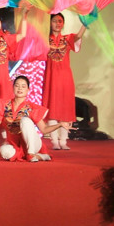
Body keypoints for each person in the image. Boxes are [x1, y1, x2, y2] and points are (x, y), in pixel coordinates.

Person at [0, 75, 62, 162]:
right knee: (3, 151)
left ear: (28, 90)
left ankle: (31, 153)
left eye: (23, 86)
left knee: (25, 120)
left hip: (33, 143)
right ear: (13, 87)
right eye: (17, 85)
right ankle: (41, 157)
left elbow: (44, 129)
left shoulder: (32, 107)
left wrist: (60, 125)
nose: (20, 88)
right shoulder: (5, 105)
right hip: (15, 145)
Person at [41, 12, 85, 150]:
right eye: (55, 21)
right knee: (52, 108)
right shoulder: (44, 40)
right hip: (51, 77)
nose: (57, 24)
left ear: (63, 23)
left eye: (60, 21)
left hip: (65, 78)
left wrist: (84, 25)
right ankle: (54, 140)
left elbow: (78, 36)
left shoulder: (67, 39)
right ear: (50, 23)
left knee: (65, 108)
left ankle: (64, 140)